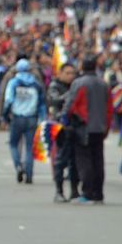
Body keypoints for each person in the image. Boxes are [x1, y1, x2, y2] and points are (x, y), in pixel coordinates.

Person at [62, 55, 113, 204]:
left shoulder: (79, 83)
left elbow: (70, 105)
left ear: (82, 67)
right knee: (98, 161)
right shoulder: (103, 84)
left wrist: (64, 120)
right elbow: (109, 107)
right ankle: (98, 193)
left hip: (84, 126)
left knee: (84, 161)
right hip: (100, 127)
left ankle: (87, 193)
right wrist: (107, 127)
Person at [3, 59, 47, 184]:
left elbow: (8, 100)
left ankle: (18, 166)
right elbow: (42, 104)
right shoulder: (36, 84)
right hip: (32, 118)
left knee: (13, 144)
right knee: (29, 147)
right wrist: (42, 119)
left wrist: (4, 116)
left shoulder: (13, 82)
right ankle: (29, 174)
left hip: (17, 118)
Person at [47, 63, 80, 202]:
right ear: (60, 73)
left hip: (75, 126)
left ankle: (74, 191)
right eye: (67, 73)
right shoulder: (55, 86)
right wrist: (71, 93)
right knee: (60, 160)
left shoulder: (76, 86)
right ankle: (59, 191)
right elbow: (55, 100)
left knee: (75, 161)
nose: (70, 76)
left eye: (72, 73)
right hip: (60, 127)